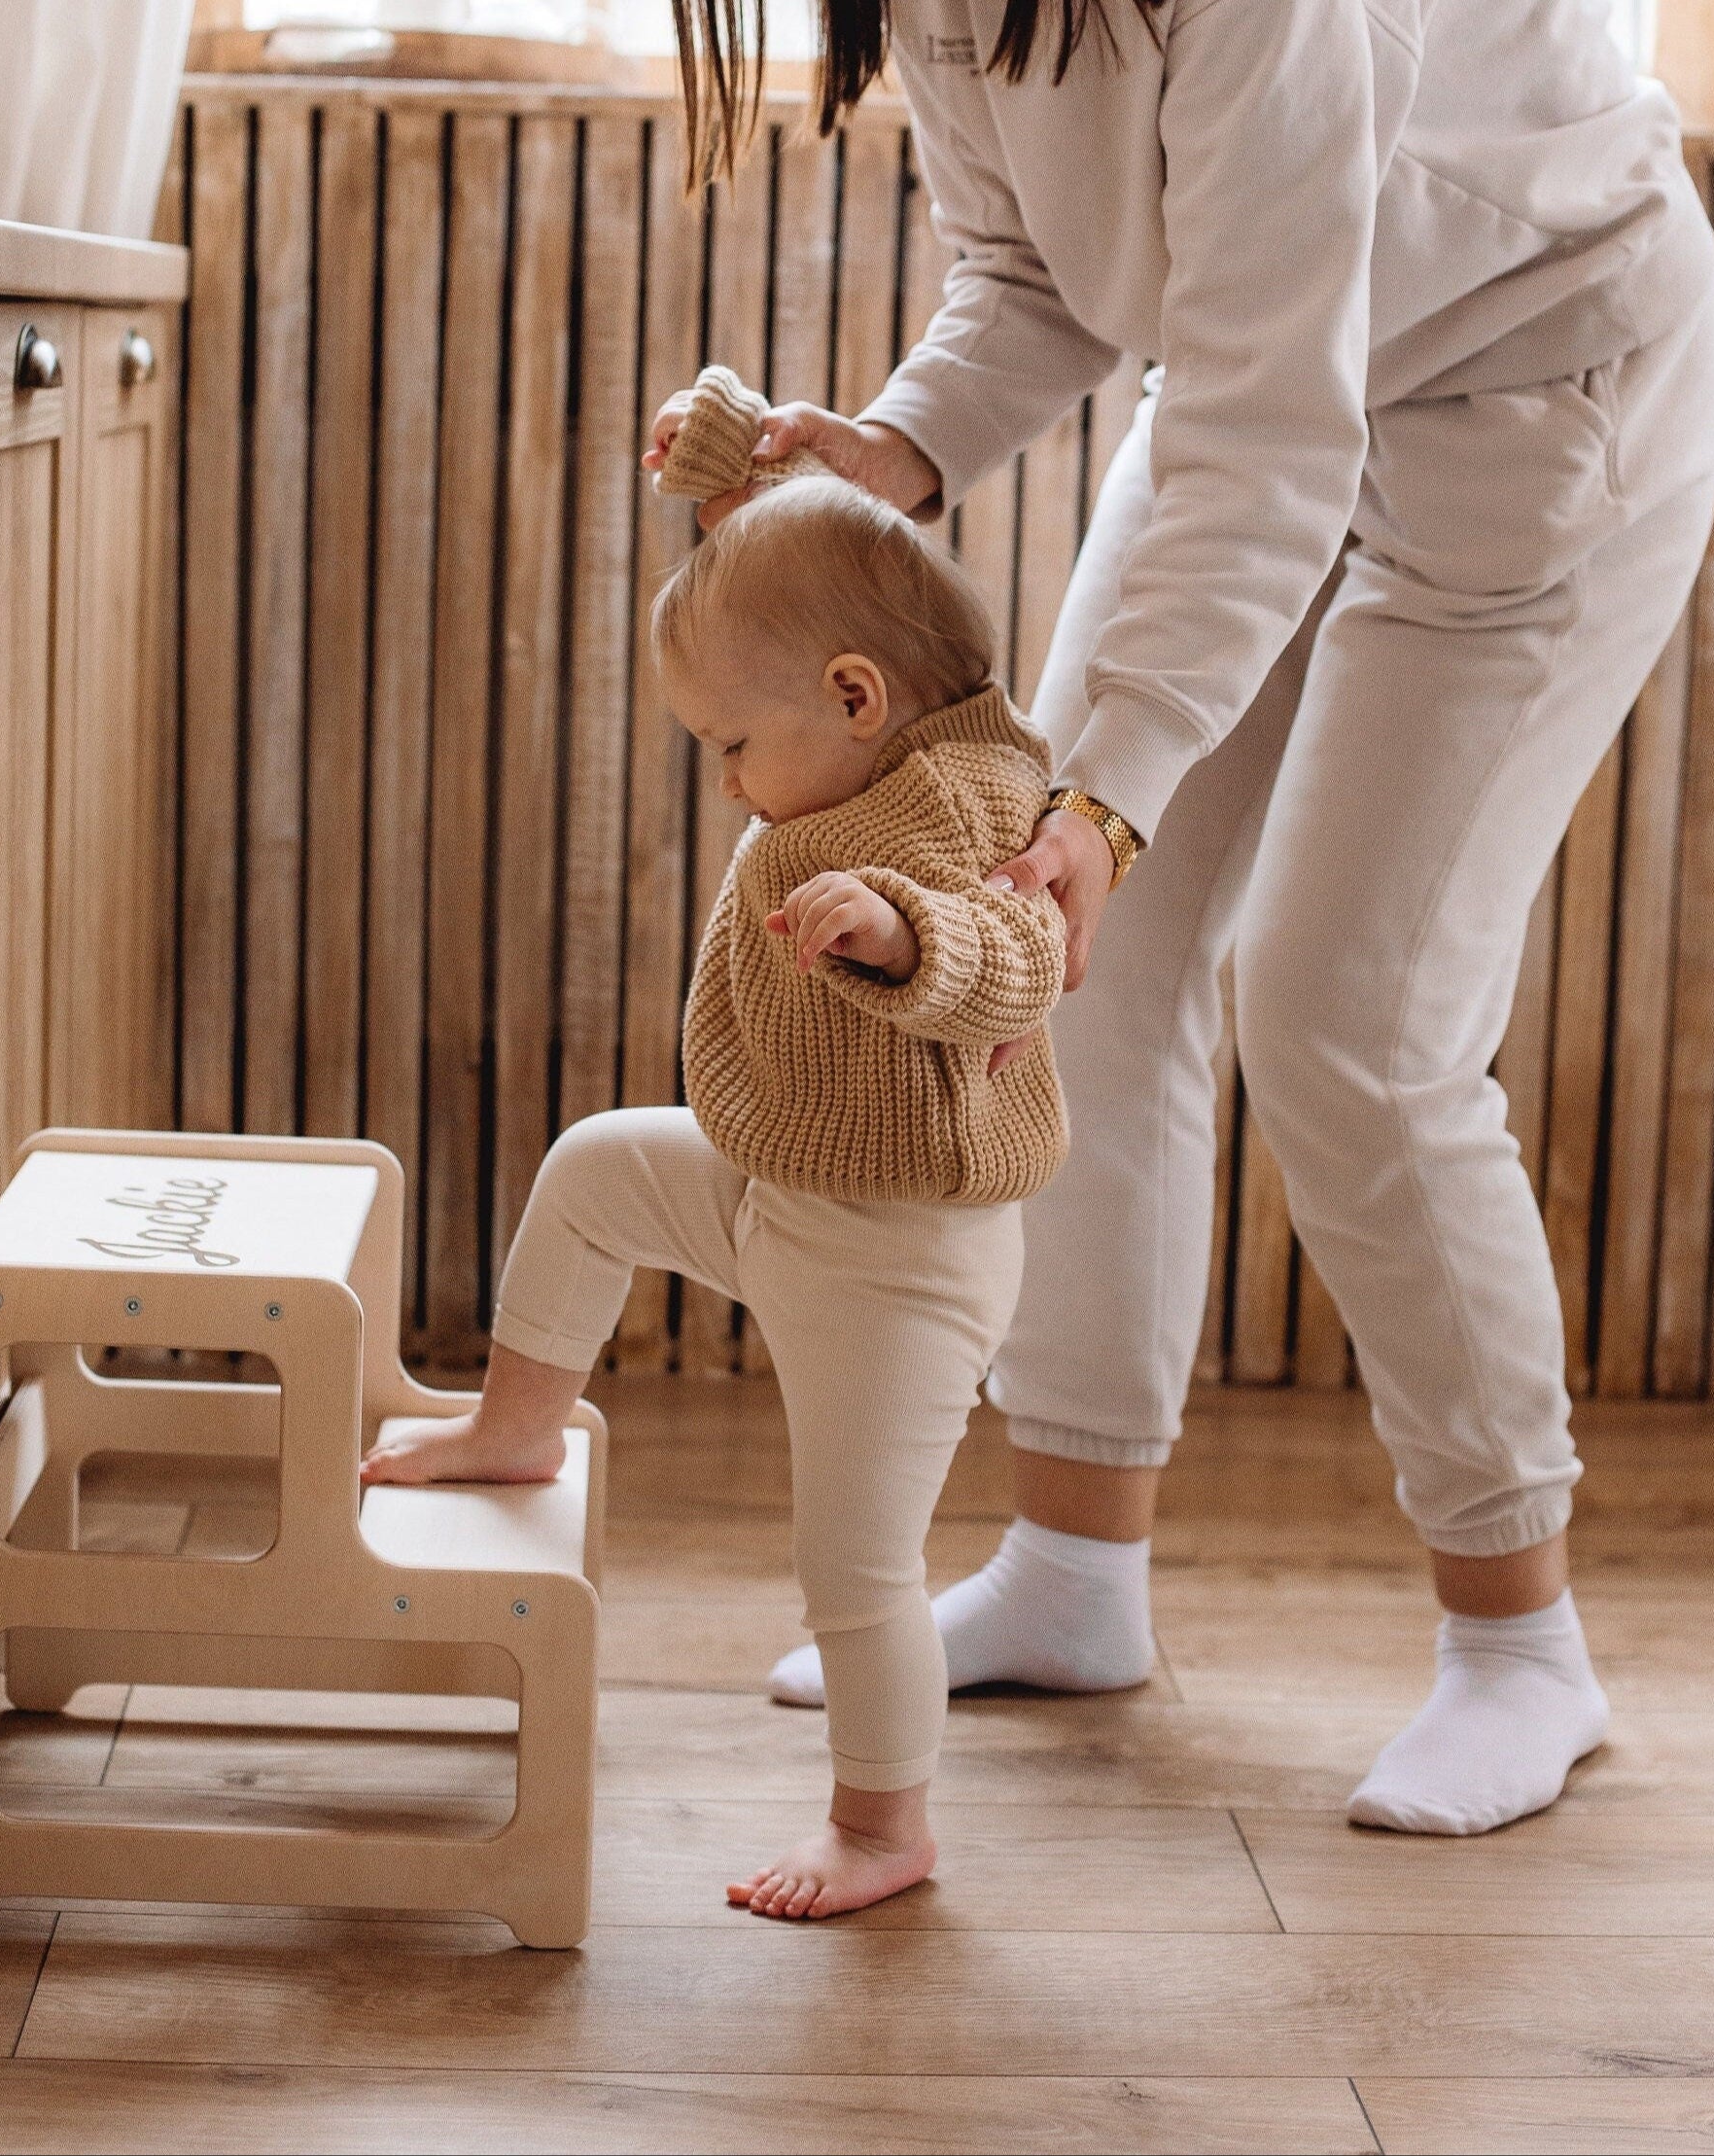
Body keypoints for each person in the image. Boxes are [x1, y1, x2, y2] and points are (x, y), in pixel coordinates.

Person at [687, 0, 1714, 1835]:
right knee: (1070, 968)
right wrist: (901, 448)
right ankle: (1078, 1568)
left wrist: (1112, 797)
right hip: (1266, 384)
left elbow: (1267, 421)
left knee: (1351, 1021)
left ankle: (1521, 1645)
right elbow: (1035, 262)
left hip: (1538, 384)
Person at [363, 381, 1068, 1917]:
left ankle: (886, 1826)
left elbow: (1021, 952)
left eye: (732, 742)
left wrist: (907, 939)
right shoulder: (847, 745)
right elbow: (782, 558)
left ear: (857, 696)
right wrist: (726, 468)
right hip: (779, 1180)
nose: (727, 776)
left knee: (857, 1567)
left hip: (897, 1259)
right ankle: (517, 1423)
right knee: (597, 1166)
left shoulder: (961, 804)